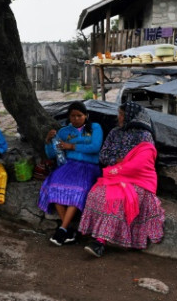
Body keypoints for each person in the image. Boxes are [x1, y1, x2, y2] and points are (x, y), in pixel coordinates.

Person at [79, 101, 165, 257]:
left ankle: (100, 242)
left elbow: (143, 162)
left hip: (136, 179)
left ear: (130, 117)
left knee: (116, 200)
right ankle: (95, 234)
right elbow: (103, 155)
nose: (118, 117)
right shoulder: (115, 132)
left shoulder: (144, 136)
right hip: (117, 175)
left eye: (121, 114)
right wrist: (118, 161)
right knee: (96, 194)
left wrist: (123, 163)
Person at [38, 101, 103, 246]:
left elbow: (95, 147)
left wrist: (72, 146)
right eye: (72, 116)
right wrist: (48, 141)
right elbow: (52, 154)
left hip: (89, 167)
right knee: (53, 184)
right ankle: (66, 230)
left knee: (79, 189)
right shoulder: (63, 132)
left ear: (86, 115)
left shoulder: (95, 128)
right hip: (69, 166)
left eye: (79, 115)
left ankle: (62, 229)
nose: (76, 119)